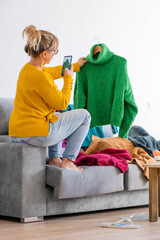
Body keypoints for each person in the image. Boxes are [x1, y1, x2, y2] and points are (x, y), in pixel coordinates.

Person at [9, 25, 91, 171]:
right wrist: (68, 80)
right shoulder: (41, 78)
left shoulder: (27, 69)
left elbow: (52, 71)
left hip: (18, 132)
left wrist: (76, 66)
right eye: (54, 51)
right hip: (35, 134)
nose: (55, 54)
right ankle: (68, 161)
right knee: (85, 116)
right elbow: (64, 103)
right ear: (45, 54)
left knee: (56, 116)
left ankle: (54, 159)